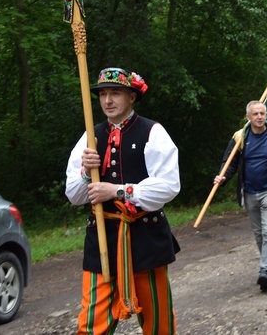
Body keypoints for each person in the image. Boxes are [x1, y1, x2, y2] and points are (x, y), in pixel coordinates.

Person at [65, 67, 180, 335]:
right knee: (91, 325)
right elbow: (73, 195)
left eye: (115, 93)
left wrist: (118, 191)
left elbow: (168, 186)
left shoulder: (153, 132)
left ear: (131, 97)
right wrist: (85, 172)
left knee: (159, 324)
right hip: (102, 237)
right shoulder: (90, 137)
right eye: (103, 94)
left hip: (145, 237)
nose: (107, 100)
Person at [214, 101, 267, 292]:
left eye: (262, 113)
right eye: (256, 114)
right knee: (259, 234)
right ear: (248, 117)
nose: (260, 117)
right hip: (250, 193)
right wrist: (223, 177)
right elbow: (230, 162)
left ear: (266, 115)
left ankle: (265, 271)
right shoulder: (240, 138)